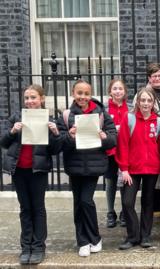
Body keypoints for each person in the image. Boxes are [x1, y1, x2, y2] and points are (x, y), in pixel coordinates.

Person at [0, 84, 62, 265]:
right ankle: (26, 247)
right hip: (19, 170)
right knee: (25, 209)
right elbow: (3, 142)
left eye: (33, 97)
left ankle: (38, 247)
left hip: (38, 171)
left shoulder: (49, 119)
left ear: (41, 99)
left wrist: (55, 133)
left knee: (38, 208)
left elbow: (56, 150)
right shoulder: (16, 118)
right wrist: (13, 131)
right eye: (27, 98)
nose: (29, 101)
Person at [56, 80, 117, 257]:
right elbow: (58, 143)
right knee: (78, 203)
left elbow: (113, 140)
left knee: (85, 200)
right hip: (74, 165)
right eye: (79, 93)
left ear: (91, 95)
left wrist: (104, 137)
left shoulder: (101, 115)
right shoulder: (67, 116)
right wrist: (69, 135)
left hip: (93, 165)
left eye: (86, 93)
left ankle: (95, 238)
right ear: (73, 94)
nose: (82, 97)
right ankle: (82, 241)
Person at [116, 88, 160, 250]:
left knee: (148, 203)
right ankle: (133, 236)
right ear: (138, 102)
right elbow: (122, 144)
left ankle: (145, 236)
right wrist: (124, 169)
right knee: (127, 202)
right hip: (131, 169)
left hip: (152, 168)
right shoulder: (129, 119)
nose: (145, 103)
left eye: (149, 101)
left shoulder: (159, 122)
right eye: (142, 100)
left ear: (153, 103)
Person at [104, 79, 130, 229]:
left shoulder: (131, 107)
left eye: (120, 88)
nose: (118, 91)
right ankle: (110, 212)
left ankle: (123, 212)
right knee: (110, 182)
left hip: (126, 150)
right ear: (110, 91)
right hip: (110, 150)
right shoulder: (104, 109)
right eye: (115, 88)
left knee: (124, 182)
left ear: (125, 91)